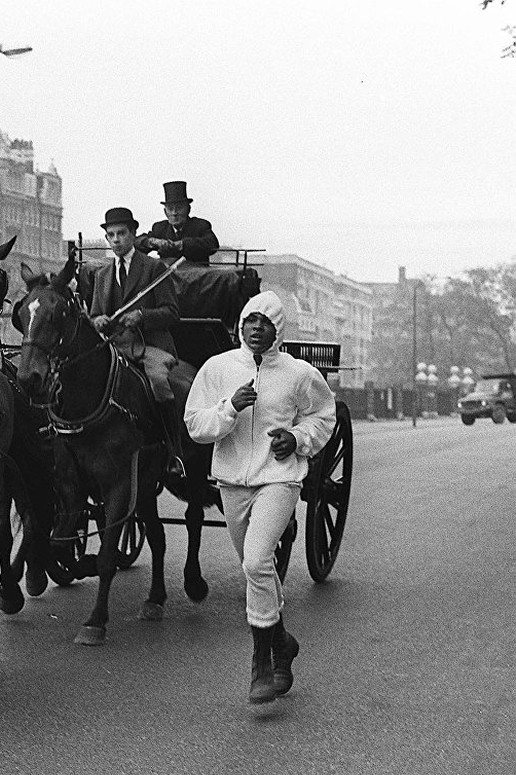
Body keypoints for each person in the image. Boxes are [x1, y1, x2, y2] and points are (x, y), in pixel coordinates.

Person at [184, 290, 336, 704]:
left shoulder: (298, 373)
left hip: (279, 479)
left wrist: (297, 437)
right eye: (250, 320)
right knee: (257, 568)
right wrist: (229, 408)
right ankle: (282, 641)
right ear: (240, 325)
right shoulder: (217, 369)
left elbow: (324, 414)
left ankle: (262, 664)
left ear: (277, 331)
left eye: (265, 323)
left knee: (255, 560)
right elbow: (196, 425)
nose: (256, 328)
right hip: (232, 481)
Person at [77, 207, 187, 479]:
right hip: (114, 348)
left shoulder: (153, 268)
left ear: (133, 233)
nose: (116, 240)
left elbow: (172, 312)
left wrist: (143, 316)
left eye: (121, 233)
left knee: (159, 382)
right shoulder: (101, 274)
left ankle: (175, 452)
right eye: (111, 235)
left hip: (150, 346)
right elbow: (93, 315)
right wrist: (97, 320)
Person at [135, 181, 219, 267]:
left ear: (188, 209)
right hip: (168, 278)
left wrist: (182, 245)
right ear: (165, 212)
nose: (174, 213)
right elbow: (134, 243)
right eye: (170, 209)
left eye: (179, 208)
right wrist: (152, 242)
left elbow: (212, 244)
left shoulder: (200, 225)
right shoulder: (160, 228)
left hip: (197, 276)